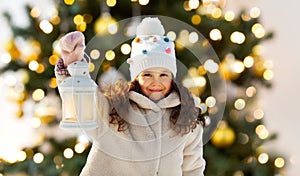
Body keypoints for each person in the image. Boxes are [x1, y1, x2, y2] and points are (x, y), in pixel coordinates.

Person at [55, 17, 206, 176]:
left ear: (172, 77)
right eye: (147, 74)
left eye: (163, 75)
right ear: (136, 77)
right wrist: (73, 67)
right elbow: (87, 102)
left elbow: (192, 169)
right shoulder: (116, 108)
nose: (156, 82)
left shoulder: (186, 116)